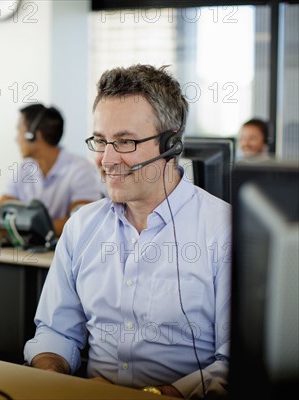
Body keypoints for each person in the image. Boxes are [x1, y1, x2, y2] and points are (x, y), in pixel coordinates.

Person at [24, 65, 231, 399]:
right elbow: (56, 331)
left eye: (125, 142)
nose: (106, 159)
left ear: (171, 144)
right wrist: (52, 373)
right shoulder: (82, 226)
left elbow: (233, 366)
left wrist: (151, 394)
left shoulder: (222, 231)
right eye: (102, 141)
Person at [0, 104, 104, 237]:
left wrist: (30, 231)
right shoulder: (24, 168)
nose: (16, 139)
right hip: (28, 252)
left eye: (19, 130)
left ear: (33, 135)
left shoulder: (81, 169)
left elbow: (81, 220)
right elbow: (0, 210)